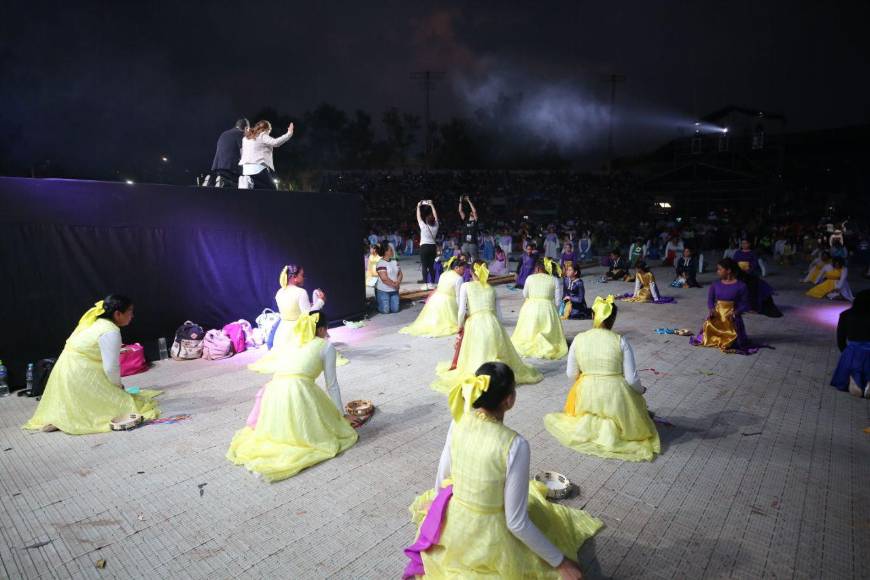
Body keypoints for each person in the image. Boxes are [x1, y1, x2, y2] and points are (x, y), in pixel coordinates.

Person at [405, 363, 602, 579]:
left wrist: (436, 503)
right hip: (491, 536)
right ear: (509, 400)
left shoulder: (458, 420)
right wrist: (560, 562)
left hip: (455, 526)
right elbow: (516, 522)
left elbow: (443, 472)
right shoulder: (515, 444)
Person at [227, 311, 358, 482]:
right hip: (297, 391)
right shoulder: (326, 346)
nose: (327, 333)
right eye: (326, 329)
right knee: (315, 432)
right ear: (320, 330)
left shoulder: (293, 342)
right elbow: (331, 384)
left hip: (273, 391)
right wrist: (341, 414)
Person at [544, 296, 660, 462]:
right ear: (613, 319)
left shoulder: (579, 339)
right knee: (634, 409)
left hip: (587, 393)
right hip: (615, 395)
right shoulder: (621, 341)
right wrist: (641, 391)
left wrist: (584, 382)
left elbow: (571, 374)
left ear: (593, 316)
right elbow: (632, 379)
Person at [23, 296, 161, 434]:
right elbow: (111, 368)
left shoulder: (97, 321)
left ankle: (62, 418)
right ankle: (68, 420)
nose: (132, 315)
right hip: (79, 373)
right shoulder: (110, 331)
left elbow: (89, 346)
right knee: (123, 404)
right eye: (130, 311)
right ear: (118, 314)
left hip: (64, 370)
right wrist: (118, 386)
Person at [432, 262, 542, 393]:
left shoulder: (466, 286)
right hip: (492, 322)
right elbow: (498, 313)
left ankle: (484, 377)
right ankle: (496, 376)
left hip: (476, 323)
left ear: (472, 272)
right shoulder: (491, 288)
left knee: (478, 352)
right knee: (493, 351)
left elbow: (461, 310)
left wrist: (460, 326)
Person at [250, 264, 325, 372]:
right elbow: (308, 314)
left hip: (283, 332)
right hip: (297, 330)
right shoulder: (300, 292)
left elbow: (292, 309)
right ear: (294, 277)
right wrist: (321, 302)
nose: (304, 278)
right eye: (302, 275)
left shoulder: (279, 292)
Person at [690, 258, 756, 353]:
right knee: (706, 335)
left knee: (733, 342)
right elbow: (710, 300)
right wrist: (711, 308)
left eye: (720, 269)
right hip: (717, 317)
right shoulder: (715, 284)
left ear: (728, 271)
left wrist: (736, 312)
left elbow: (746, 304)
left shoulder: (741, 286)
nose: (717, 272)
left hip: (731, 318)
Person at [511, 259, 567, 360]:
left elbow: (525, 294)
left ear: (537, 268)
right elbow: (558, 301)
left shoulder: (530, 278)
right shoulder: (555, 280)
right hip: (547, 309)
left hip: (530, 308)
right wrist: (554, 311)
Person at [400, 257, 466, 337]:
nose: (464, 271)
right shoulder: (459, 278)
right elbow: (458, 296)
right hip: (447, 302)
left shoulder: (444, 274)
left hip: (435, 299)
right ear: (456, 268)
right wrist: (461, 309)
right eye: (463, 269)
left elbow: (439, 287)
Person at [831, 290, 870, 397]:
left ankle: (854, 379)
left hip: (853, 350)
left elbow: (841, 339)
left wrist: (846, 354)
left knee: (852, 365)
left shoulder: (845, 315)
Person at [238, 120, 294, 189]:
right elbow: (275, 142)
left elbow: (242, 152)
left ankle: (251, 183)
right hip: (258, 168)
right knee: (272, 188)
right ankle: (252, 182)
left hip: (245, 170)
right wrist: (289, 133)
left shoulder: (245, 138)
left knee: (258, 190)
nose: (269, 133)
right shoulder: (262, 135)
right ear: (267, 129)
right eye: (269, 130)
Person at [210, 118, 249, 188]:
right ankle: (224, 182)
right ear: (246, 128)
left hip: (218, 167)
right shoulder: (240, 134)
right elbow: (244, 153)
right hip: (231, 168)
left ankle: (211, 181)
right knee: (241, 184)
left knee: (221, 189)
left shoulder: (224, 133)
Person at [417, 200, 440, 290]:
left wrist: (418, 206)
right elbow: (436, 216)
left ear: (426, 220)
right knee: (431, 266)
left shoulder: (424, 226)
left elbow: (418, 217)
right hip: (432, 247)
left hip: (424, 247)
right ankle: (432, 284)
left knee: (424, 266)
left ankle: (426, 284)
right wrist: (431, 205)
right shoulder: (436, 226)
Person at [375, 241, 402, 314]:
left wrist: (398, 283)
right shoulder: (381, 263)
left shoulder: (394, 261)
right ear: (386, 252)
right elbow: (384, 279)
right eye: (390, 250)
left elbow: (400, 274)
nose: (392, 251)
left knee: (395, 310)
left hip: (394, 290)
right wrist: (395, 285)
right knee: (385, 311)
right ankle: (377, 302)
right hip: (383, 291)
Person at [458, 196, 480, 262]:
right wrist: (460, 201)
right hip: (465, 243)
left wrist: (468, 201)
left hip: (472, 243)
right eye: (471, 212)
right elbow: (460, 211)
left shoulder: (475, 221)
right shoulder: (465, 220)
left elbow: (474, 211)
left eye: (472, 212)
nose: (472, 212)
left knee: (474, 259)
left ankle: (474, 271)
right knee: (464, 259)